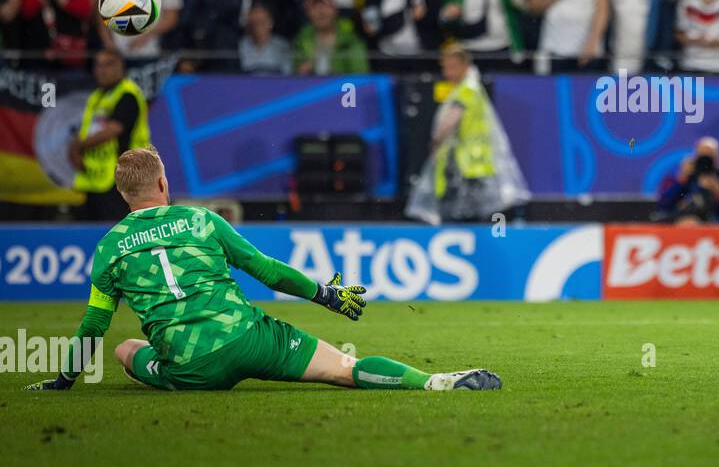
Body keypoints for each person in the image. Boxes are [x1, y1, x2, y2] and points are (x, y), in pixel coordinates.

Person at [27, 146, 500, 392]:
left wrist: (63, 380)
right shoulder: (200, 219)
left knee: (127, 349)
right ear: (163, 182)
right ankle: (434, 382)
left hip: (188, 368)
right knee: (344, 369)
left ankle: (166, 366)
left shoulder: (109, 248)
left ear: (124, 195)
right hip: (249, 340)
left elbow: (93, 324)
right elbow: (268, 271)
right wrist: (326, 295)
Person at [406, 45, 530, 225]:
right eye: (445, 67)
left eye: (452, 67)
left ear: (465, 65)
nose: (448, 73)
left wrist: (436, 141)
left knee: (463, 213)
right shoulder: (470, 87)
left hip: (467, 163)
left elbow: (450, 120)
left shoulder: (468, 88)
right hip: (473, 162)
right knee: (476, 212)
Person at [70, 48, 150, 222]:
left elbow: (113, 129)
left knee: (113, 228)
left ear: (120, 66)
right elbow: (87, 128)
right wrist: (76, 148)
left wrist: (78, 146)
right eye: (98, 65)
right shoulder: (97, 96)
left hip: (121, 175)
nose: (101, 70)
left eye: (107, 65)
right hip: (96, 174)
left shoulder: (127, 94)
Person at [655, 137, 719, 224]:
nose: (705, 161)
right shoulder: (679, 175)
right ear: (695, 156)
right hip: (680, 221)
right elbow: (663, 204)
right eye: (702, 156)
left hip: (712, 223)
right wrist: (681, 180)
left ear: (717, 158)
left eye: (709, 156)